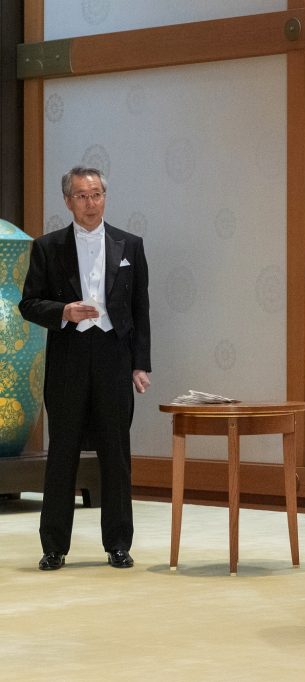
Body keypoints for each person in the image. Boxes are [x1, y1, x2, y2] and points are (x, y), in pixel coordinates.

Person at [19, 166, 151, 572]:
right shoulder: (48, 247)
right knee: (63, 453)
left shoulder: (130, 244)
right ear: (67, 201)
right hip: (69, 359)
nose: (91, 203)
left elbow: (140, 310)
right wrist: (64, 311)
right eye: (82, 196)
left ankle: (118, 544)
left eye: (97, 195)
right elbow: (28, 304)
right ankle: (54, 547)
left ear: (105, 198)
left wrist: (139, 364)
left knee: (116, 453)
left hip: (113, 358)